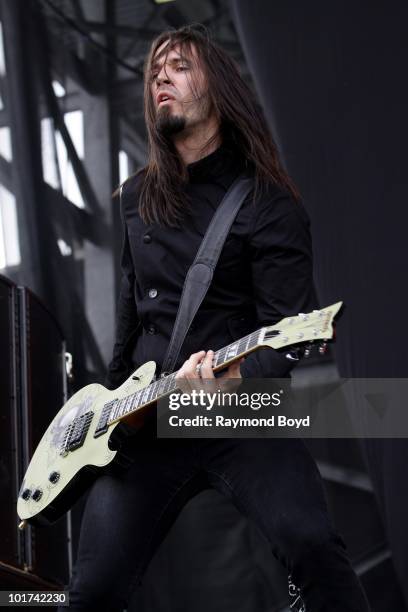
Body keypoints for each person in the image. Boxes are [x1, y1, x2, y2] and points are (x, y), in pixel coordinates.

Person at [65, 25, 370, 611]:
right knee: (93, 591)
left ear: (219, 88)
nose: (160, 76)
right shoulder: (135, 198)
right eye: (155, 69)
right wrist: (109, 408)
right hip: (147, 417)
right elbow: (130, 318)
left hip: (240, 412)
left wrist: (235, 382)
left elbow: (288, 333)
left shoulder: (268, 204)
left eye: (179, 65)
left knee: (312, 547)